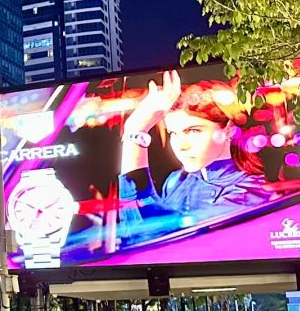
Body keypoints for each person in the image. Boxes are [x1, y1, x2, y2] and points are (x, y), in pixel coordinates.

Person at [117, 72, 274, 232]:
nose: (181, 146)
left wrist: (135, 133)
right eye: (174, 134)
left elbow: (152, 232)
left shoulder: (248, 194)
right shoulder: (178, 180)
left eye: (193, 131)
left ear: (229, 130)